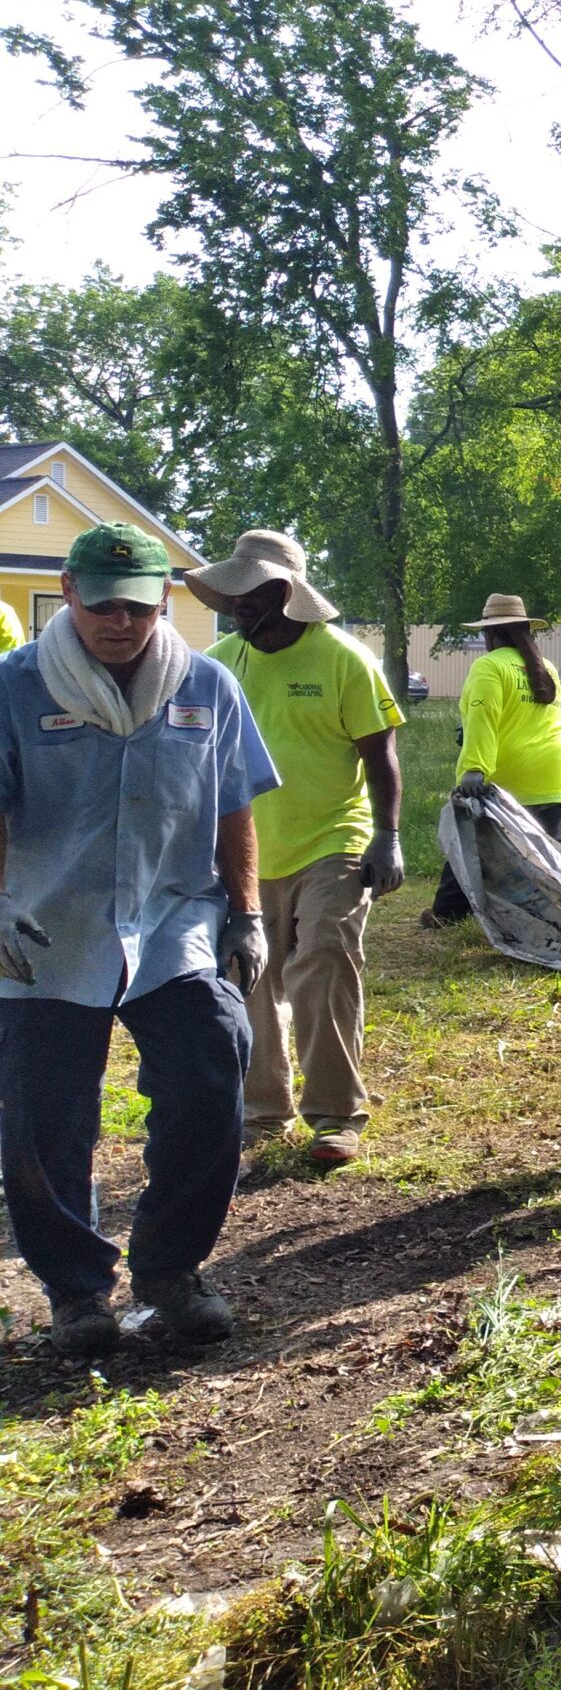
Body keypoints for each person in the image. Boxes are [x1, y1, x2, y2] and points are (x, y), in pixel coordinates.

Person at [0, 523, 277, 1357]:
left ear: (163, 598)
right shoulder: (15, 685)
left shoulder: (206, 684)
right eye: (102, 602)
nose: (119, 620)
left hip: (172, 923)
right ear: (72, 594)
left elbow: (233, 804)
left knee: (209, 1071)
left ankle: (170, 1271)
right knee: (44, 1121)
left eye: (137, 603)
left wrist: (248, 910)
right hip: (46, 929)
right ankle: (77, 1293)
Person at [194, 531, 405, 1169]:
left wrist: (388, 835)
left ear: (285, 593)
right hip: (246, 848)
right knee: (248, 975)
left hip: (332, 839)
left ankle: (336, 1115)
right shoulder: (219, 662)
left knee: (322, 959)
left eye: (250, 592)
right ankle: (263, 1110)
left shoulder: (343, 659)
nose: (237, 605)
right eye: (231, 594)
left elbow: (381, 756)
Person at [421, 594, 561, 929]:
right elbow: (535, 719)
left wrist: (475, 768)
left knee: (469, 843)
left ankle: (448, 912)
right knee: (547, 855)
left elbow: (484, 716)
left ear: (490, 634)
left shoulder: (488, 666)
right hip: (551, 775)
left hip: (508, 774)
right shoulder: (546, 668)